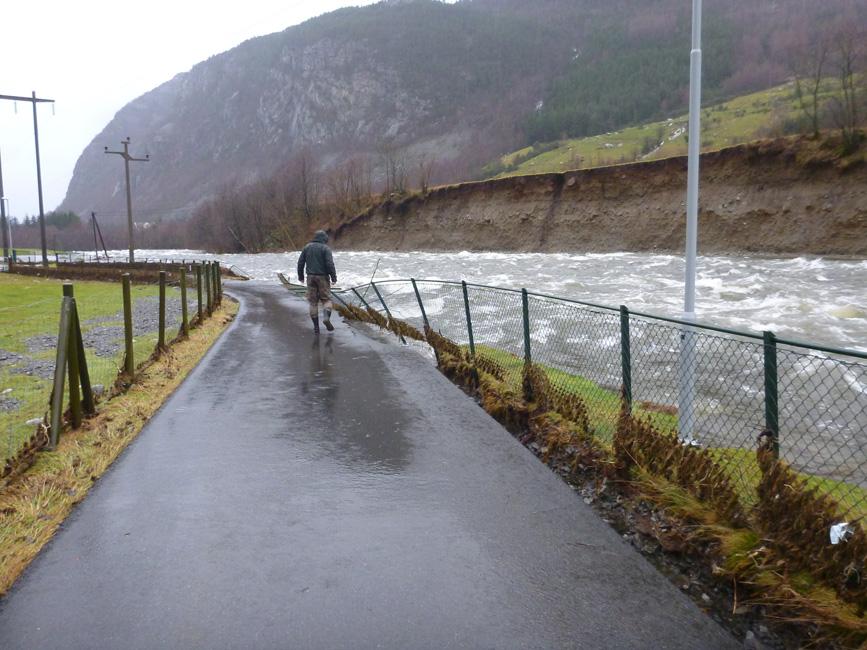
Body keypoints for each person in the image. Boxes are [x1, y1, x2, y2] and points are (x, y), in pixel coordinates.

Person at [297, 230, 337, 334]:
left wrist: (300, 276)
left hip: (310, 277)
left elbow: (300, 263)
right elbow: (329, 264)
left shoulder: (307, 247)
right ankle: (326, 318)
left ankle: (316, 328)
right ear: (324, 239)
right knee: (326, 300)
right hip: (323, 277)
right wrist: (333, 277)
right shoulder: (325, 248)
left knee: (313, 303)